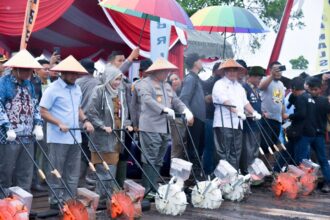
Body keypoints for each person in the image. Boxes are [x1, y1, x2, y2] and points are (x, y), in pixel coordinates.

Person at [39, 55, 94, 208]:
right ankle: (55, 200)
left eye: (76, 73)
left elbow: (78, 108)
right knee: (56, 170)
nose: (75, 76)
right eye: (71, 73)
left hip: (75, 136)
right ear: (62, 73)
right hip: (58, 137)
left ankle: (70, 199)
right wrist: (59, 123)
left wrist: (86, 120)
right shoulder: (52, 89)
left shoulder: (77, 88)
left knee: (73, 171)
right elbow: (43, 111)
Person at [138, 58, 193, 194]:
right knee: (150, 157)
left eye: (167, 71)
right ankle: (147, 187)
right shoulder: (145, 83)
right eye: (164, 71)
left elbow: (175, 100)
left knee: (159, 158)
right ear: (156, 71)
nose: (166, 73)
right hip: (150, 126)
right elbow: (147, 99)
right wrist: (163, 109)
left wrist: (185, 110)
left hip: (164, 127)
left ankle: (153, 184)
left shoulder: (167, 86)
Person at [87, 65, 132, 205]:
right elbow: (91, 112)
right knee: (104, 169)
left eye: (119, 79)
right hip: (102, 137)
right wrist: (101, 126)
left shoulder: (120, 92)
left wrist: (127, 124)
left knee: (111, 169)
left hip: (117, 136)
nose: (117, 82)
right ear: (108, 78)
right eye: (115, 79)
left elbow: (124, 111)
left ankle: (106, 198)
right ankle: (102, 199)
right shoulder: (99, 91)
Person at [0, 49, 44, 193]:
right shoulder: (3, 83)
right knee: (6, 171)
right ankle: (4, 204)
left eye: (30, 70)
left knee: (25, 171)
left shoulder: (29, 84)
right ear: (16, 69)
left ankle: (23, 204)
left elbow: (35, 105)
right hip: (8, 136)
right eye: (25, 70)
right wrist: (7, 126)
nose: (28, 74)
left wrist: (38, 124)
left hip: (27, 136)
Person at [212, 59, 261, 170]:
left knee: (235, 152)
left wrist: (254, 112)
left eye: (234, 70)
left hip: (238, 123)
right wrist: (237, 111)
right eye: (229, 70)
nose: (232, 73)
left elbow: (245, 102)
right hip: (224, 122)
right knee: (223, 152)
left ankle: (233, 177)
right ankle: (222, 178)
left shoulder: (239, 87)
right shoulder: (220, 84)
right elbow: (224, 101)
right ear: (224, 71)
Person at [294, 77, 330, 193]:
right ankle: (324, 184)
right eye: (312, 89)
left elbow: (300, 115)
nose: (314, 92)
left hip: (308, 134)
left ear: (320, 89)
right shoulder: (325, 101)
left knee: (303, 161)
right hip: (318, 134)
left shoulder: (303, 98)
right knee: (322, 160)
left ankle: (305, 185)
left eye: (316, 90)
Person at [76, 58, 101, 187]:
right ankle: (89, 183)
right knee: (92, 154)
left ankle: (77, 183)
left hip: (77, 125)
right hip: (93, 125)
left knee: (79, 154)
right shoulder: (98, 83)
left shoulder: (76, 83)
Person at [180, 53, 206, 178]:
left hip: (199, 119)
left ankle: (195, 175)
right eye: (200, 59)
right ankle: (191, 177)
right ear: (195, 62)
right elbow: (184, 98)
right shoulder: (190, 78)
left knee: (198, 148)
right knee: (192, 149)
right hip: (193, 119)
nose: (201, 62)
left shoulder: (196, 78)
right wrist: (189, 115)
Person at [240, 66, 265, 175]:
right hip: (248, 125)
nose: (260, 81)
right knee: (248, 150)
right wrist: (249, 114)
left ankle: (253, 174)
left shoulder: (256, 89)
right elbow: (242, 105)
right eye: (259, 78)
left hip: (257, 124)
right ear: (252, 77)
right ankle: (247, 173)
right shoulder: (245, 88)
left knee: (255, 150)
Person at [259, 61, 287, 155]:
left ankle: (269, 169)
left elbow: (281, 102)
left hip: (277, 120)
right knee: (264, 146)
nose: (278, 72)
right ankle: (262, 168)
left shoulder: (281, 84)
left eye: (280, 69)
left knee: (273, 147)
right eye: (276, 69)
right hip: (266, 118)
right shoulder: (265, 79)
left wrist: (283, 115)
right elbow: (261, 87)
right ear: (270, 70)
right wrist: (271, 75)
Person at [202, 62, 222, 175]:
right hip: (210, 118)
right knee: (210, 146)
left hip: (218, 119)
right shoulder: (209, 83)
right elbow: (206, 99)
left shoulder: (223, 83)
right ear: (215, 71)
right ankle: (208, 171)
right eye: (221, 69)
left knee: (216, 147)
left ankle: (214, 170)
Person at [167, 73, 187, 159]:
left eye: (176, 78)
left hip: (187, 121)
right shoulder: (169, 92)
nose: (175, 81)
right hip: (176, 121)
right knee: (177, 147)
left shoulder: (185, 90)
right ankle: (174, 171)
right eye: (172, 80)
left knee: (184, 147)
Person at [130, 59, 153, 131]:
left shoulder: (158, 84)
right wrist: (135, 124)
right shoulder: (136, 85)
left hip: (155, 123)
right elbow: (133, 106)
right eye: (144, 70)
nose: (147, 72)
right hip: (141, 123)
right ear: (141, 71)